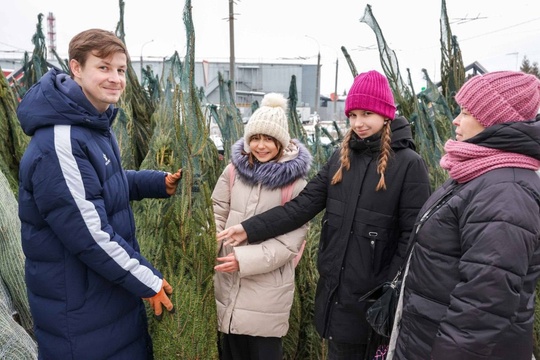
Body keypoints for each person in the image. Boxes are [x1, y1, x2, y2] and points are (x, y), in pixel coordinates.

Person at [217, 70, 431, 359]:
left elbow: (413, 237)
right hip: (337, 296)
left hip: (375, 300)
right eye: (353, 114)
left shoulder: (408, 165)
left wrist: (388, 289)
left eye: (366, 113)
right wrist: (248, 229)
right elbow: (300, 207)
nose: (358, 123)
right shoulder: (341, 159)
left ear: (385, 115)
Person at [16, 28, 180, 359]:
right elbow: (90, 233)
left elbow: (104, 184)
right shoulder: (60, 143)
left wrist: (154, 182)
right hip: (80, 314)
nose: (116, 78)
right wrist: (147, 281)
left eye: (120, 70)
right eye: (103, 67)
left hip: (104, 299)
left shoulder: (91, 126)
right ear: (76, 68)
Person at [388, 71, 540, 360]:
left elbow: (483, 304)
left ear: (495, 118)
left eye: (467, 112)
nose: (456, 120)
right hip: (427, 337)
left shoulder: (505, 191)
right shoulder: (477, 172)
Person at [212, 92, 312, 360]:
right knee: (232, 349)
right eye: (255, 138)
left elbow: (291, 241)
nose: (261, 145)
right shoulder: (233, 171)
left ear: (281, 141)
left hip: (267, 287)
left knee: (263, 352)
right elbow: (217, 210)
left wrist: (243, 259)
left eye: (269, 139)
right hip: (229, 279)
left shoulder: (295, 184)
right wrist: (214, 241)